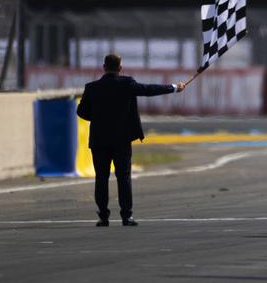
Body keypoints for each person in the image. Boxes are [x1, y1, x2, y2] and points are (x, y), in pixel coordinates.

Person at [76, 53, 186, 227]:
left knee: (101, 178)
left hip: (99, 140)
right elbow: (148, 90)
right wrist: (173, 87)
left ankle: (103, 216)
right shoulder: (127, 84)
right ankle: (126, 216)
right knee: (124, 177)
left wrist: (98, 118)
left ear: (104, 67)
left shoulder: (91, 87)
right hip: (122, 139)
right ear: (120, 68)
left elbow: (81, 112)